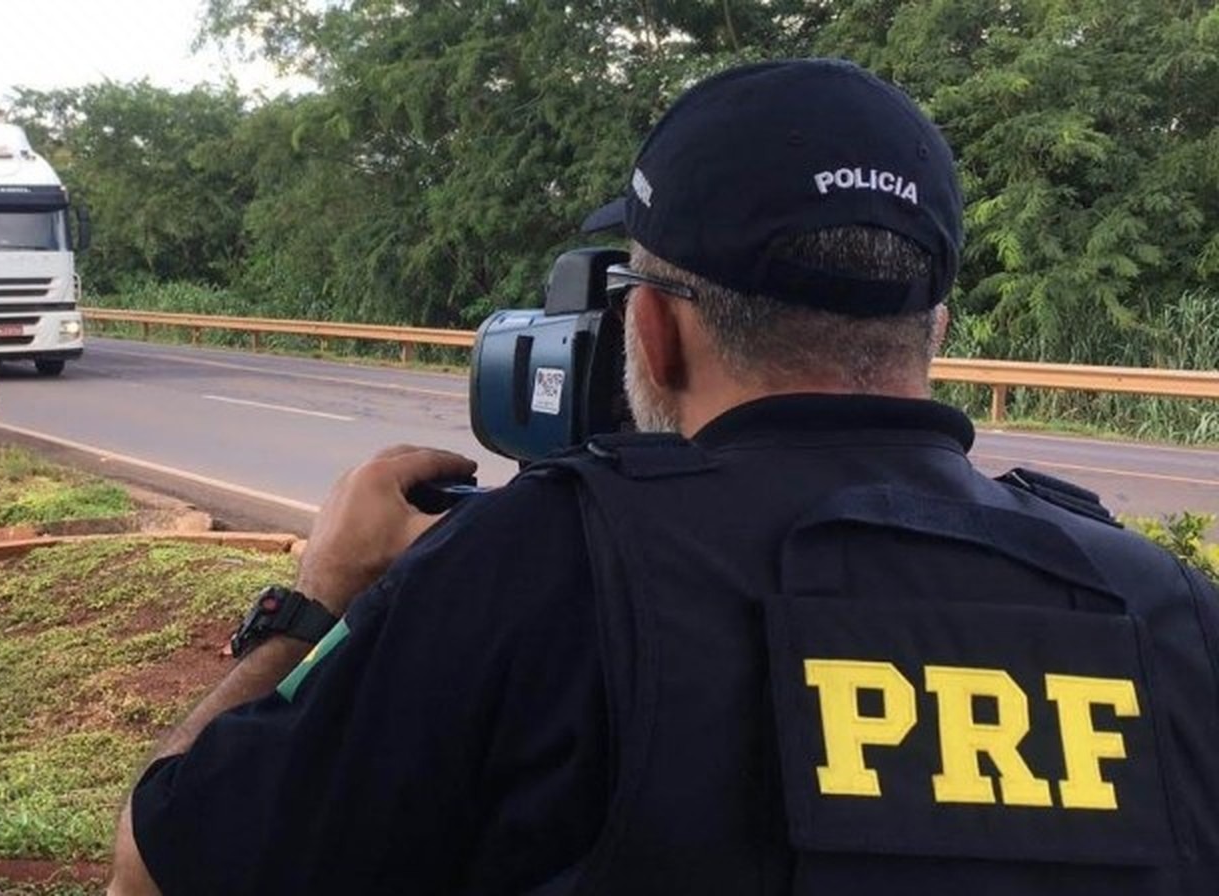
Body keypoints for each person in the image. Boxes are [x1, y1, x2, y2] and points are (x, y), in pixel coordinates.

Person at [108, 58, 1219, 895]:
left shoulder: (540, 569)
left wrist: (311, 605)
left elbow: (156, 869)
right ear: (930, 325)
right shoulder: (1157, 605)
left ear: (650, 330)